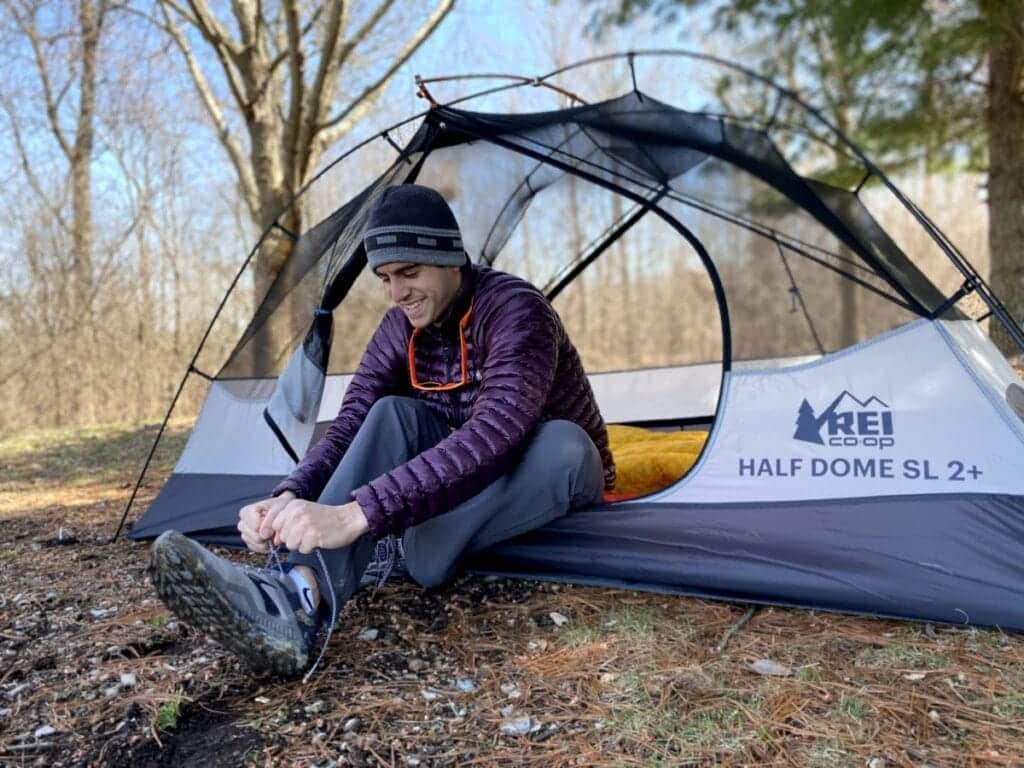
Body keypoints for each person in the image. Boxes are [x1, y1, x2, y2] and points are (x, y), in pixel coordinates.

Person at [149, 184, 616, 678]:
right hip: (466, 480)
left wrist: (359, 513)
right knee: (392, 412)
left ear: (451, 258)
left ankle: (399, 544)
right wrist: (290, 495)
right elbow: (352, 422)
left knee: (559, 446)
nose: (397, 294)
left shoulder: (516, 310)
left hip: (549, 468)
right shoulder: (400, 326)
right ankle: (296, 593)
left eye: (410, 273)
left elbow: (496, 435)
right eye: (386, 278)